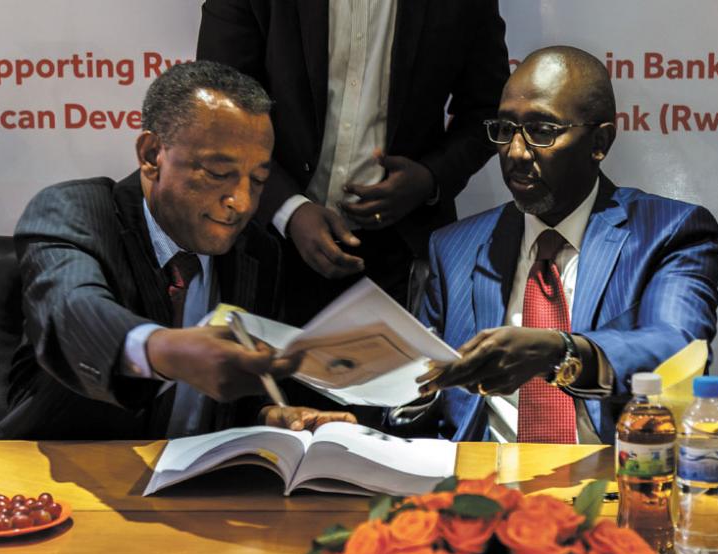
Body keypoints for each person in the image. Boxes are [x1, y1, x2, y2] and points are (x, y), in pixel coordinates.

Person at [0, 61, 355, 440]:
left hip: (192, 487)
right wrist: (165, 351)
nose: (242, 202)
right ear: (151, 155)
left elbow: (222, 401)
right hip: (54, 476)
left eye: (258, 179)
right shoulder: (74, 211)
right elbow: (74, 312)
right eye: (217, 173)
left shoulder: (257, 252)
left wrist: (269, 416)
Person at [412, 46, 718, 443]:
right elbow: (419, 391)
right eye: (506, 129)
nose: (517, 152)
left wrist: (560, 353)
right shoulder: (453, 246)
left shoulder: (668, 232)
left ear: (600, 141)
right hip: (481, 486)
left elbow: (677, 351)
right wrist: (373, 410)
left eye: (542, 131)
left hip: (611, 481)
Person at [196, 0, 510, 325]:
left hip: (399, 252)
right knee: (261, 375)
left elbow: (489, 109)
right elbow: (218, 105)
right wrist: (288, 208)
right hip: (266, 240)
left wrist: (429, 178)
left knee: (394, 376)